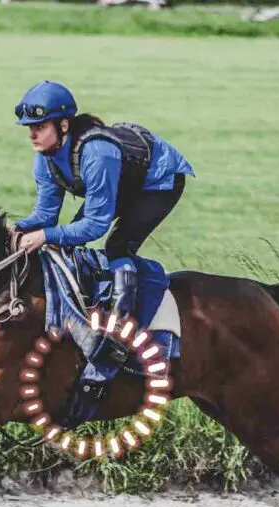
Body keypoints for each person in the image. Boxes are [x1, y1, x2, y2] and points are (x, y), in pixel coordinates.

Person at [12, 80, 193, 351]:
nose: (32, 135)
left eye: (39, 127)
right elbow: (45, 214)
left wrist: (45, 235)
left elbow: (95, 225)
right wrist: (16, 228)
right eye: (29, 128)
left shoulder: (97, 153)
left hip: (158, 182)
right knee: (67, 239)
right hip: (122, 181)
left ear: (63, 126)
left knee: (117, 246)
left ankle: (121, 328)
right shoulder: (45, 157)